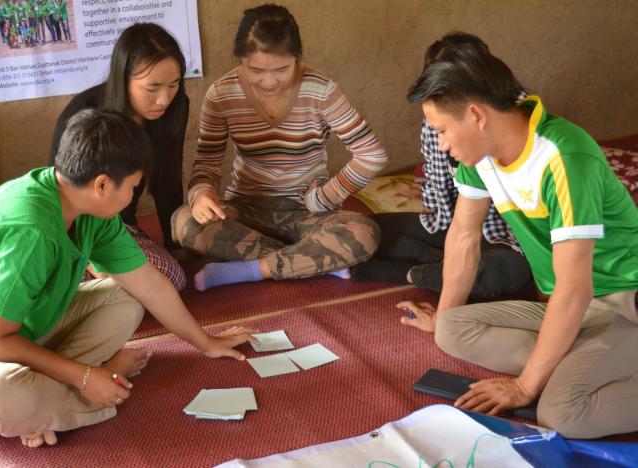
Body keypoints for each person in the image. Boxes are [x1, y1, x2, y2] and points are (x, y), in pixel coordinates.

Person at [0, 109, 257, 448]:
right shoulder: (29, 229)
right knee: (2, 397)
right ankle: (62, 400)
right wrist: (85, 376)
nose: (134, 196)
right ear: (102, 184)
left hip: (26, 331)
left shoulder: (88, 208)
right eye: (133, 187)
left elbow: (147, 283)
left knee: (127, 297)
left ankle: (53, 406)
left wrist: (205, 342)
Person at [401, 36, 638, 439]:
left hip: (623, 304)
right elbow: (462, 235)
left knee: (562, 414)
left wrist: (526, 386)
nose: (440, 144)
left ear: (475, 114)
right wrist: (443, 315)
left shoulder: (563, 159)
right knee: (452, 328)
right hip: (576, 311)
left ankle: (582, 366)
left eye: (441, 130)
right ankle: (581, 362)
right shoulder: (482, 154)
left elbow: (574, 290)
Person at [171, 3, 387, 291]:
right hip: (245, 208)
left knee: (364, 232)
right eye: (256, 70)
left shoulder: (321, 89)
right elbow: (207, 162)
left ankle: (250, 269)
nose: (269, 81)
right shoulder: (221, 94)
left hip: (306, 210)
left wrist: (322, 199)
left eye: (282, 69)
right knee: (183, 221)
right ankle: (312, 260)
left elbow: (372, 154)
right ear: (240, 59)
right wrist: (202, 195)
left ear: (297, 59)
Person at [352, 33, 532, 299]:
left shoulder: (513, 125)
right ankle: (443, 263)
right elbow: (447, 204)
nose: (443, 143)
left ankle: (422, 272)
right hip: (454, 226)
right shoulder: (440, 116)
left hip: (505, 238)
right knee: (363, 232)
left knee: (504, 271)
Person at [50, 23, 188, 291]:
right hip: (75, 233)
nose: (164, 99)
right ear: (124, 77)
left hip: (121, 228)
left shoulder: (175, 107)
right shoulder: (83, 114)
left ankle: (86, 290)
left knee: (173, 277)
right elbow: (58, 194)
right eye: (152, 88)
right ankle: (76, 280)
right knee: (153, 283)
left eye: (174, 84)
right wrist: (88, 258)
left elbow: (167, 176)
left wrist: (174, 245)